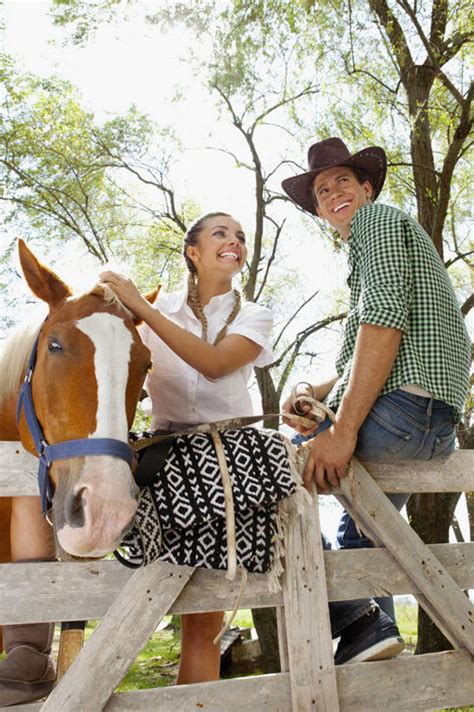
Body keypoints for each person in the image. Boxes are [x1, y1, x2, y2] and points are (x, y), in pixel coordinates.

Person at [281, 137, 471, 662]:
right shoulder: (375, 248)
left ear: (367, 188)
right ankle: (373, 634)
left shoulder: (376, 223)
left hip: (402, 412)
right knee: (360, 537)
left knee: (268, 470)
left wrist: (340, 431)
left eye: (344, 180)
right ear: (320, 211)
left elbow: (383, 319)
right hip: (431, 427)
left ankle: (351, 617)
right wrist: (310, 394)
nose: (334, 192)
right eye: (323, 190)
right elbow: (359, 358)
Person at [100, 212, 274, 684]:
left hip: (227, 462)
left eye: (240, 236)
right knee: (138, 598)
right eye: (221, 233)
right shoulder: (151, 310)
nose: (235, 241)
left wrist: (145, 309)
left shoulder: (255, 315)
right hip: (161, 460)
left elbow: (216, 366)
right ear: (193, 252)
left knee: (204, 622)